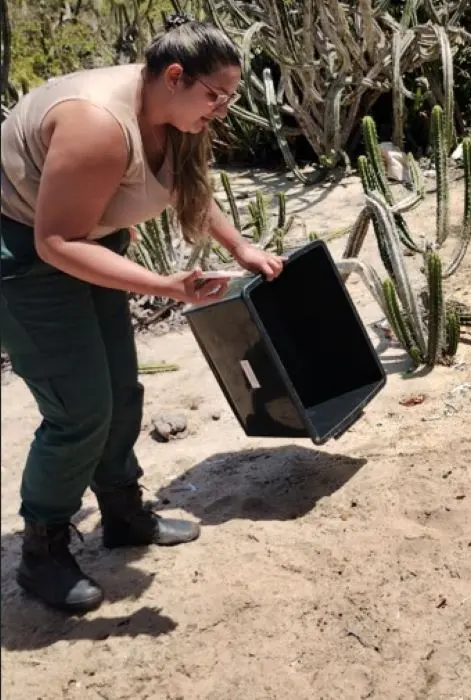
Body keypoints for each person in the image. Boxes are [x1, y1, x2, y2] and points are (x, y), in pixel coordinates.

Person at [0, 19, 284, 614]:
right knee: (78, 409)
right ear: (174, 76)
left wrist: (240, 248)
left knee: (121, 391)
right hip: (28, 258)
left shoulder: (173, 112)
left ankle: (123, 511)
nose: (223, 109)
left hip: (90, 242)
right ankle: (42, 551)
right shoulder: (98, 125)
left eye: (230, 98)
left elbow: (190, 187)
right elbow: (54, 241)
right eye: (216, 96)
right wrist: (165, 286)